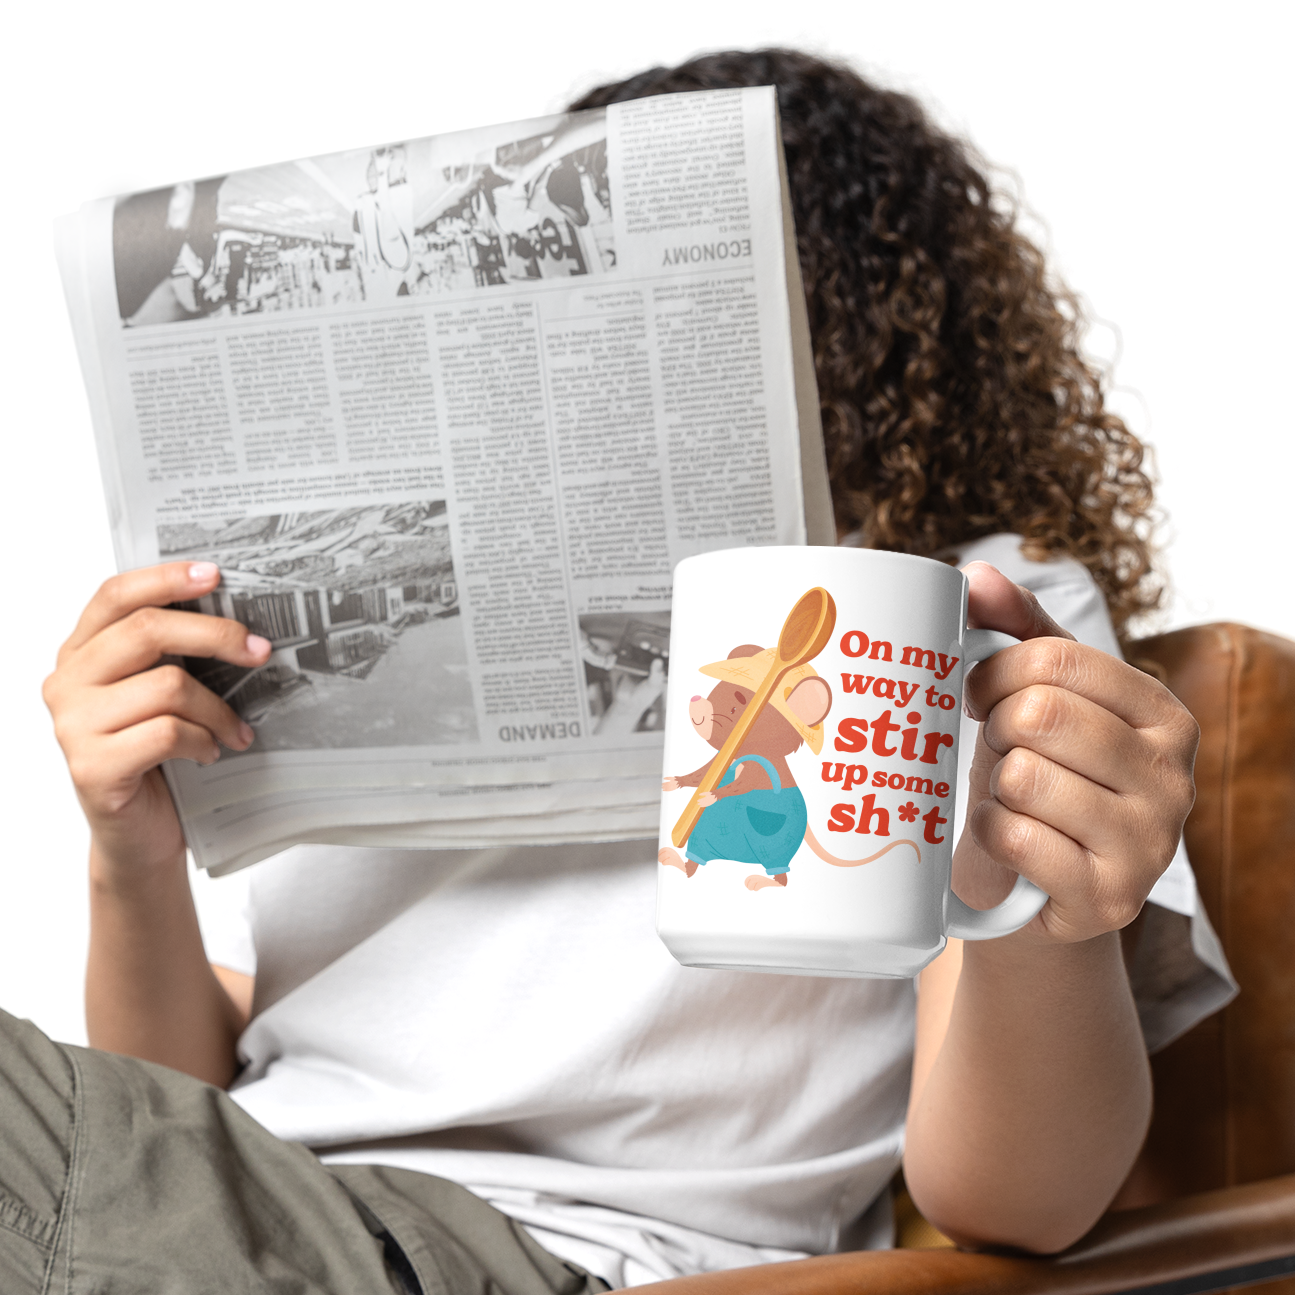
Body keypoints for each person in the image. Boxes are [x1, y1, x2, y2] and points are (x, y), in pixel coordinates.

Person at [22, 47, 1228, 1295]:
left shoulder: (956, 606)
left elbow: (1016, 1207)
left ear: (844, 317)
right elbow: (176, 1111)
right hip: (240, 1202)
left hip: (561, 1257)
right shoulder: (380, 579)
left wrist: (1047, 922)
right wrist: (132, 852)